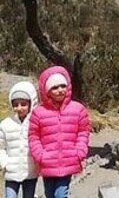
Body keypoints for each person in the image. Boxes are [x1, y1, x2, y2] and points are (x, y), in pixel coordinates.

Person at [29, 66, 90, 198]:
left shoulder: (78, 109)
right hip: (47, 163)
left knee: (60, 195)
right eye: (55, 87)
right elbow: (34, 136)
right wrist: (40, 155)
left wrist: (79, 152)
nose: (60, 90)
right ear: (47, 91)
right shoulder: (38, 113)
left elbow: (83, 132)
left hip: (68, 161)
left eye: (63, 86)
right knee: (50, 195)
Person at [0, 81, 39, 198]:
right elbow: (1, 147)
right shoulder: (5, 124)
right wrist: (5, 163)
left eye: (23, 104)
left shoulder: (36, 123)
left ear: (31, 103)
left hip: (30, 172)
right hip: (11, 172)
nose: (19, 108)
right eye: (16, 104)